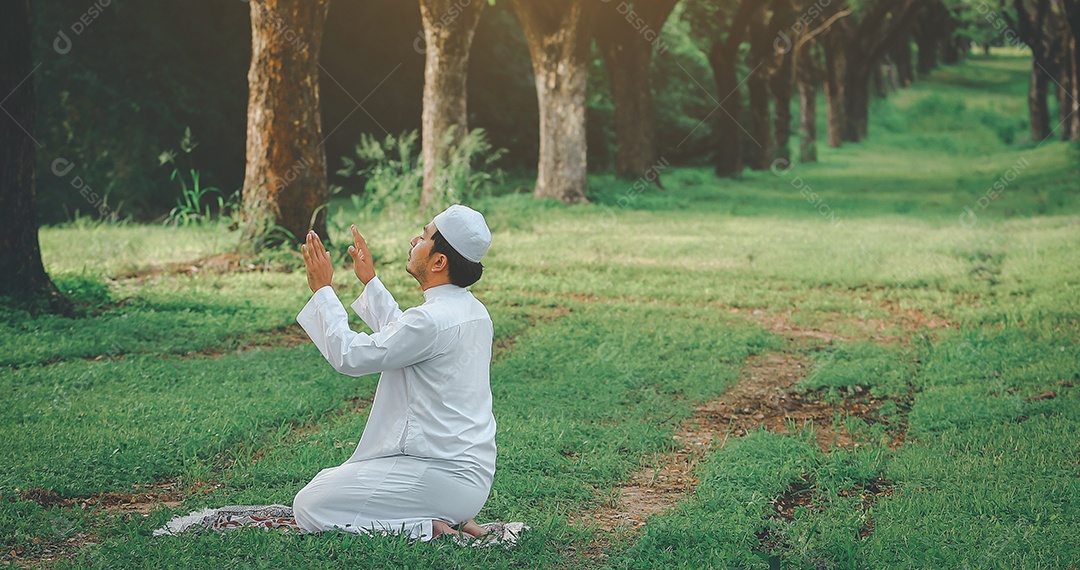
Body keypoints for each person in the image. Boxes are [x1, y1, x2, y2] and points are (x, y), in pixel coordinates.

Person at [293, 205, 496, 541]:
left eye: (425, 236)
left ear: (438, 262)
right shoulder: (472, 310)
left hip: (439, 474)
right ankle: (447, 516)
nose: (415, 239)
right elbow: (404, 340)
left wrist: (322, 290)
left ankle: (427, 528)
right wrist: (369, 281)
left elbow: (351, 356)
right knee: (329, 481)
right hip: (465, 477)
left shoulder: (432, 319)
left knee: (310, 505)